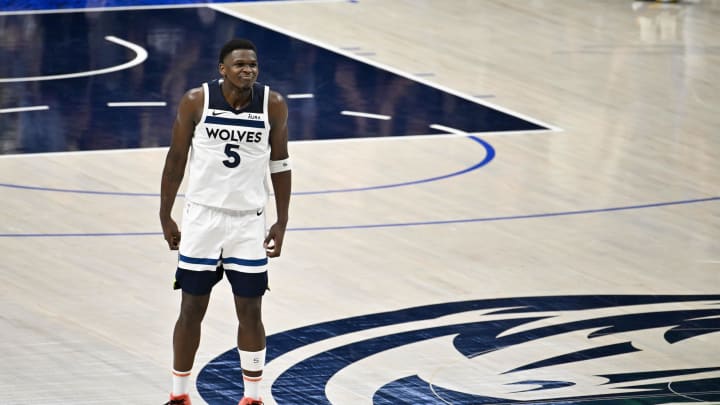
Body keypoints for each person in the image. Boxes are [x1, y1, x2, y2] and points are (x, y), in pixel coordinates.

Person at [159, 38, 291, 405]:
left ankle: (252, 397)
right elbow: (175, 160)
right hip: (202, 218)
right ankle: (179, 395)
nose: (248, 69)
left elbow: (280, 164)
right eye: (239, 65)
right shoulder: (195, 101)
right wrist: (164, 213)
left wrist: (281, 221)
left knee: (250, 309)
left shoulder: (273, 105)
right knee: (191, 307)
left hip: (248, 221)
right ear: (222, 69)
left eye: (253, 64)